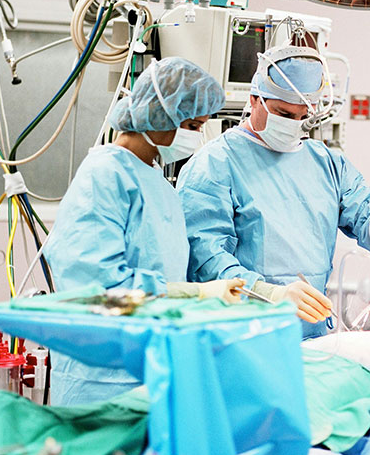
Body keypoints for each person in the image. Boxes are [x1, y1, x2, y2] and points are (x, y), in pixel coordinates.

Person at [177, 45, 370, 339]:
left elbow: (364, 204)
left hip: (311, 335)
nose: (292, 124)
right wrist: (268, 294)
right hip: (240, 337)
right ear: (254, 100)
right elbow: (206, 260)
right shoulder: (214, 165)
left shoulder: (324, 161)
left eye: (302, 116)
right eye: (282, 113)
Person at [45, 57, 245, 406]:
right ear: (160, 115)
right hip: (102, 378)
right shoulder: (105, 176)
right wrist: (194, 295)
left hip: (152, 367)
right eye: (193, 125)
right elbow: (96, 287)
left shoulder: (158, 182)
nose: (195, 137)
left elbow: (163, 272)